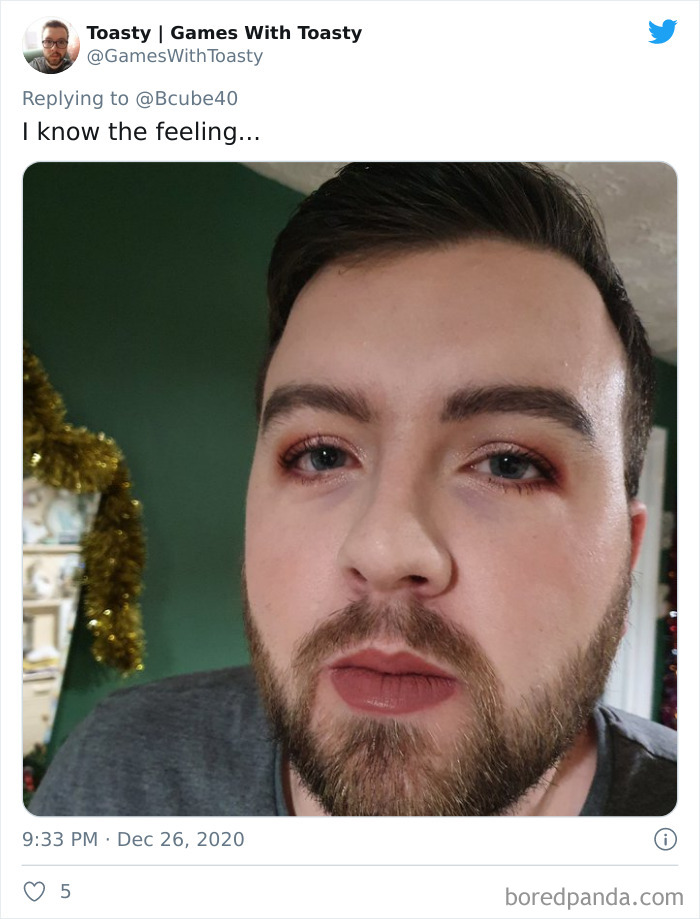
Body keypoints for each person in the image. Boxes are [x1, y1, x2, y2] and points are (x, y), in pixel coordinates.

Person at [30, 163, 676, 817]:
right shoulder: (120, 774)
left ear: (625, 555)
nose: (385, 549)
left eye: (509, 464)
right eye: (321, 454)